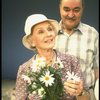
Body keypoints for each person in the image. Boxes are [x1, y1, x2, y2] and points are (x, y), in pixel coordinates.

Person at [15, 14, 88, 100]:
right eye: (41, 32)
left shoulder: (71, 61)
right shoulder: (25, 70)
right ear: (32, 42)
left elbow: (86, 97)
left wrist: (80, 92)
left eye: (50, 29)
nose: (49, 34)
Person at [54, 0, 99, 100]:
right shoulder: (50, 33)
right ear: (60, 8)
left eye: (76, 10)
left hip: (85, 96)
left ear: (82, 9)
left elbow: (97, 70)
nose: (71, 15)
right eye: (66, 9)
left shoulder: (93, 34)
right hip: (54, 96)